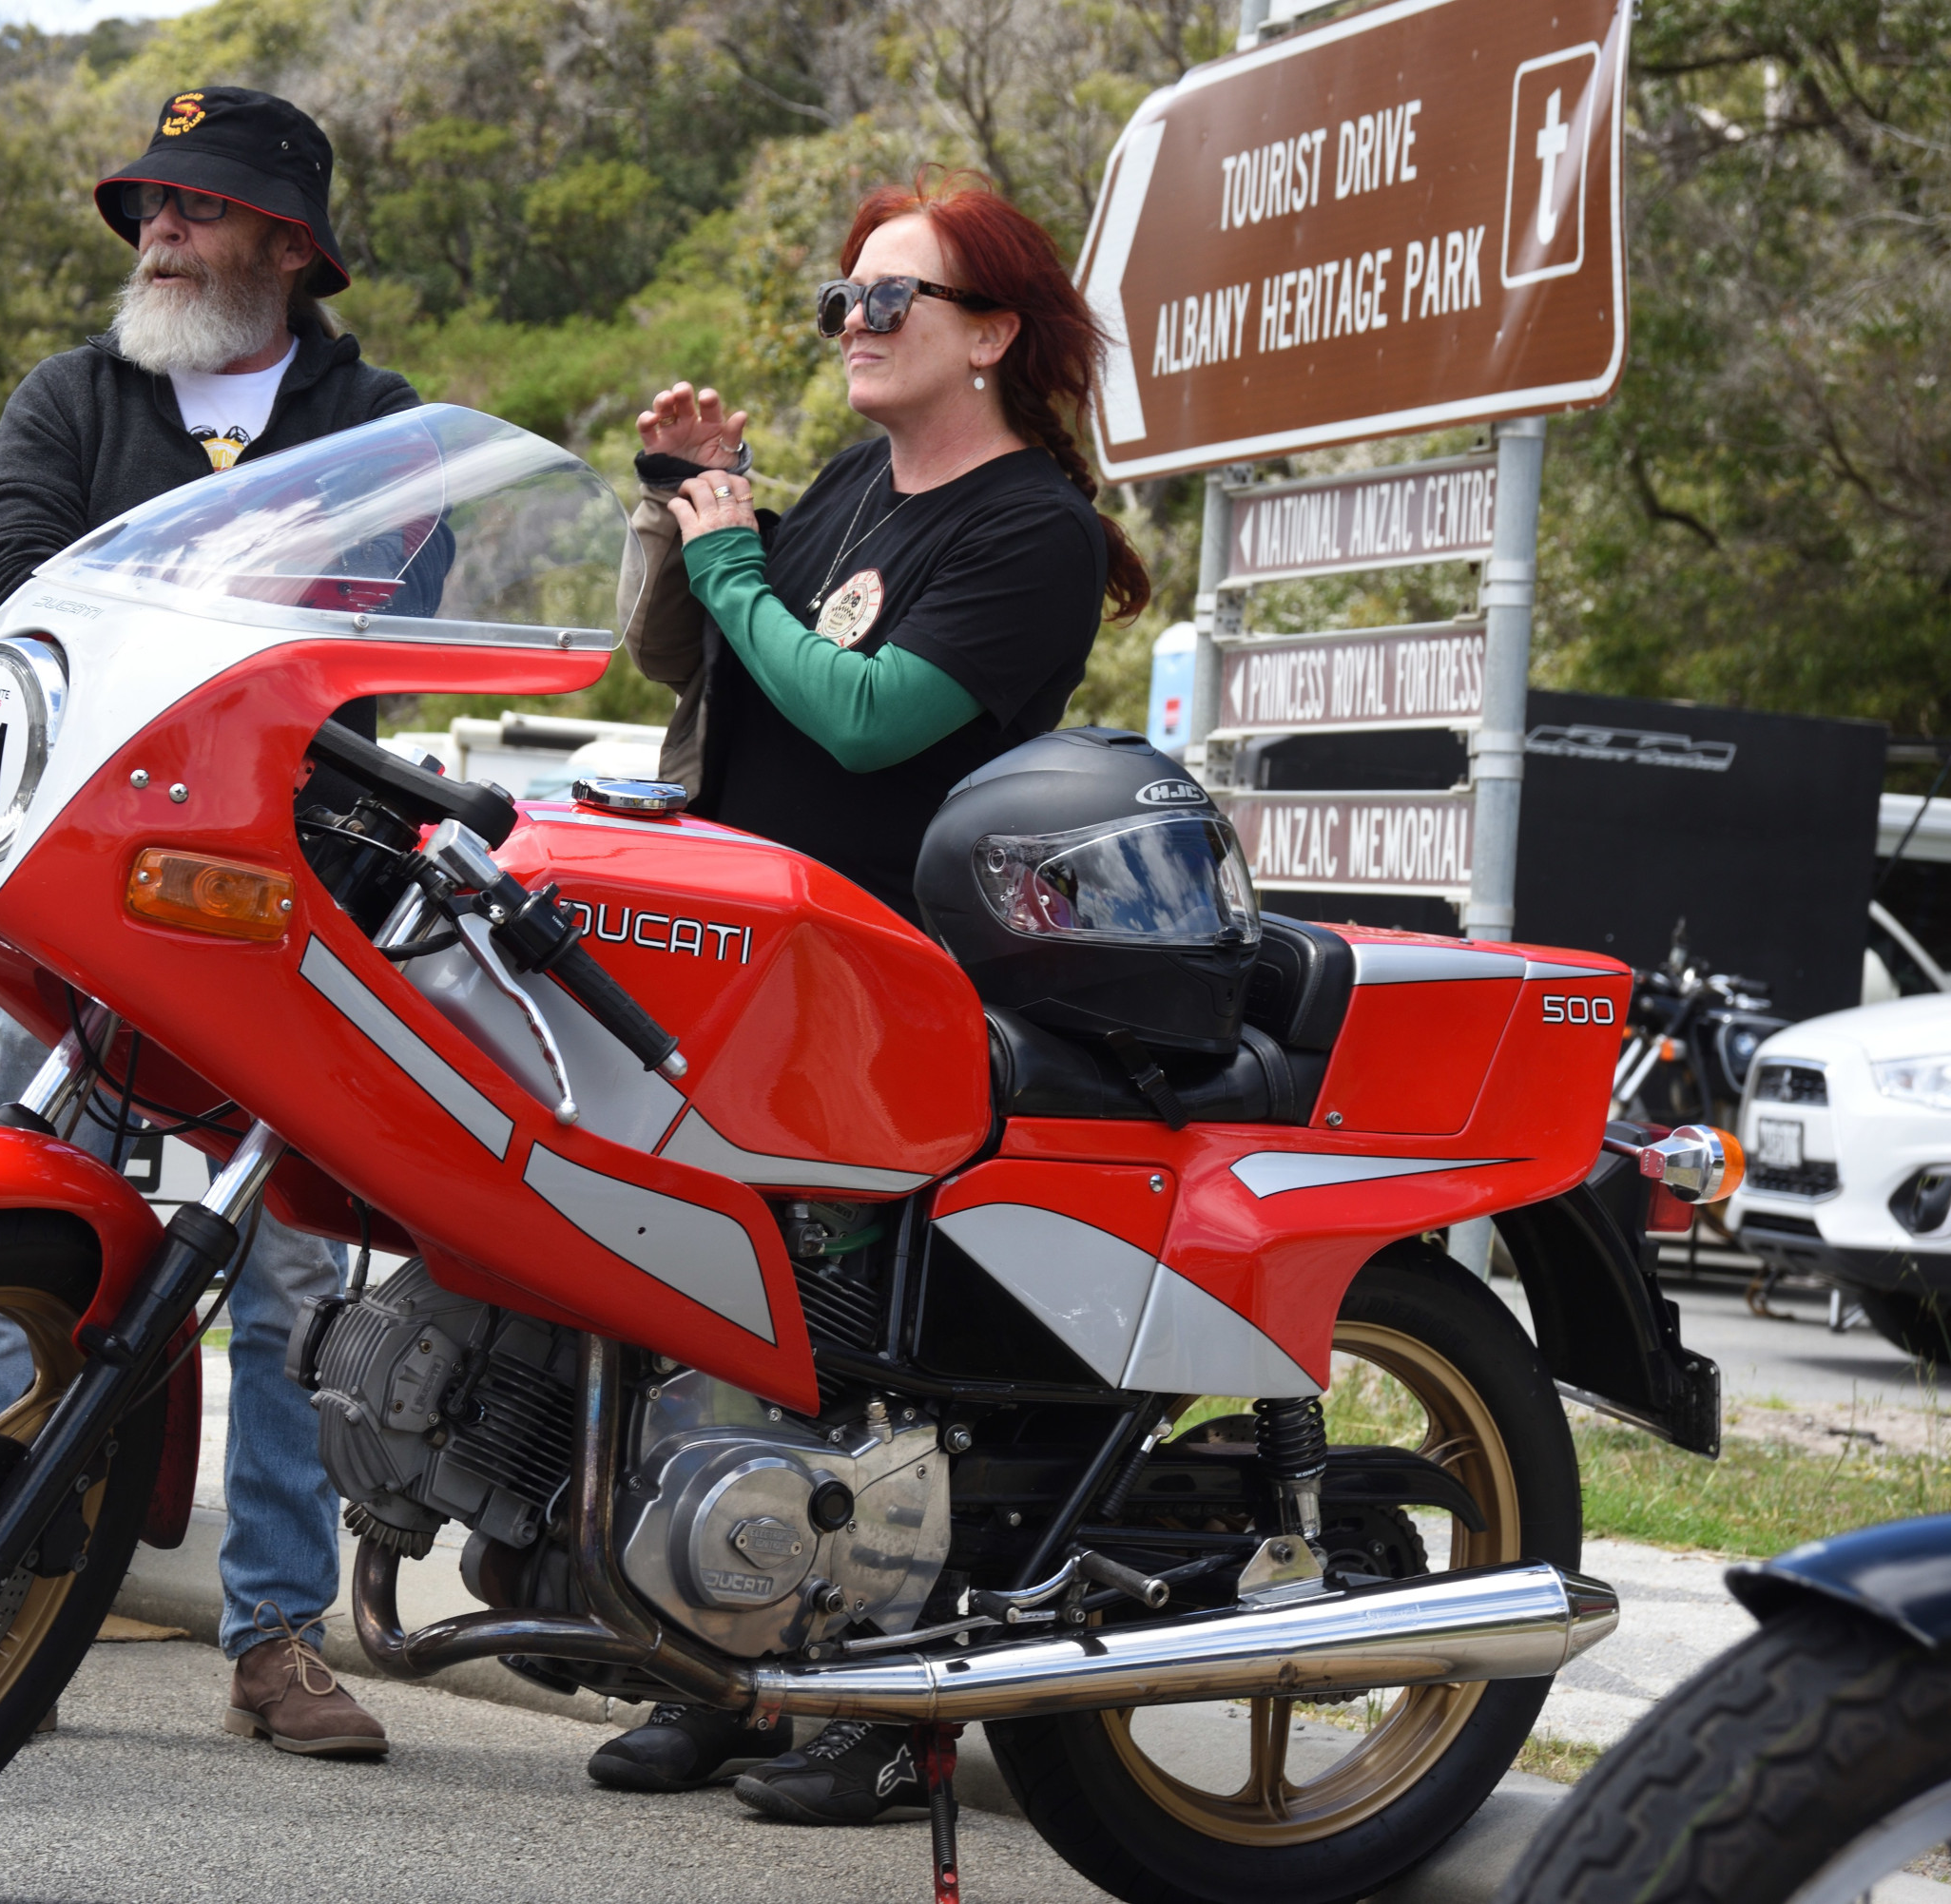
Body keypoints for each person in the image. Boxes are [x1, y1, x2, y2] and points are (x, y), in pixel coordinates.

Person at [589, 169, 1150, 1821]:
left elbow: (861, 714)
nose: (854, 325)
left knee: (871, 1356)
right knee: (727, 1327)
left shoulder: (1033, 527)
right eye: (844, 300)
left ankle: (889, 1710)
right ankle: (722, 1668)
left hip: (897, 989)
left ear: (988, 334)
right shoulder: (846, 481)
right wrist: (682, 505)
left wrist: (737, 557)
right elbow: (691, 657)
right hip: (750, 966)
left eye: (889, 300)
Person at [0, 84, 417, 1760]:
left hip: (291, 897)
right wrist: (247, 611)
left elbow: (384, 642)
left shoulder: (384, 418)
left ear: (287, 245)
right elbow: (17, 586)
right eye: (148, 202)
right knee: (16, 1236)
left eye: (196, 206)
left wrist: (182, 609)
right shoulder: (69, 393)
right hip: (75, 884)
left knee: (293, 1276)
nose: (158, 227)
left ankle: (277, 1638)